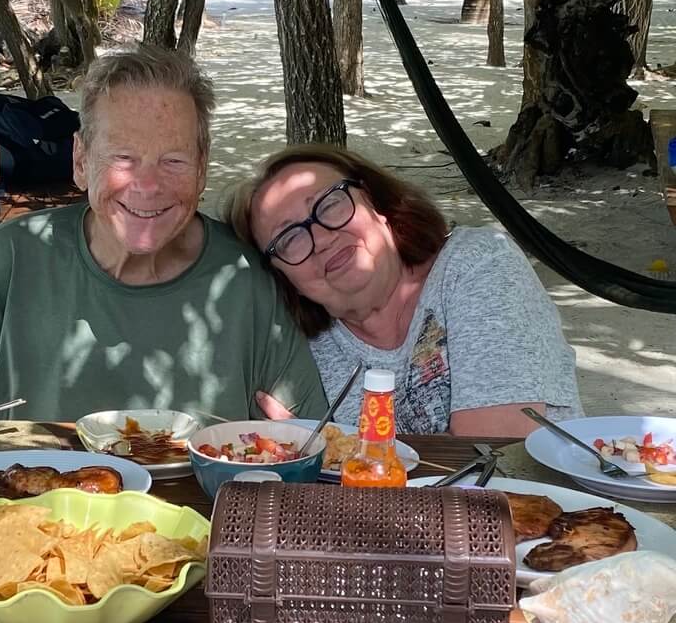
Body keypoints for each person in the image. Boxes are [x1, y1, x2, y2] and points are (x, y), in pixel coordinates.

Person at [0, 46, 328, 422]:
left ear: (202, 167)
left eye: (173, 160)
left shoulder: (247, 276)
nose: (147, 185)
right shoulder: (11, 259)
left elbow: (305, 442)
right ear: (81, 161)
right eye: (123, 157)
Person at [225, 144, 582, 437]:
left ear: (375, 202)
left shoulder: (477, 265)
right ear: (283, 275)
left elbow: (492, 460)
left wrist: (330, 452)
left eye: (330, 203)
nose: (320, 238)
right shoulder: (307, 351)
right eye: (289, 238)